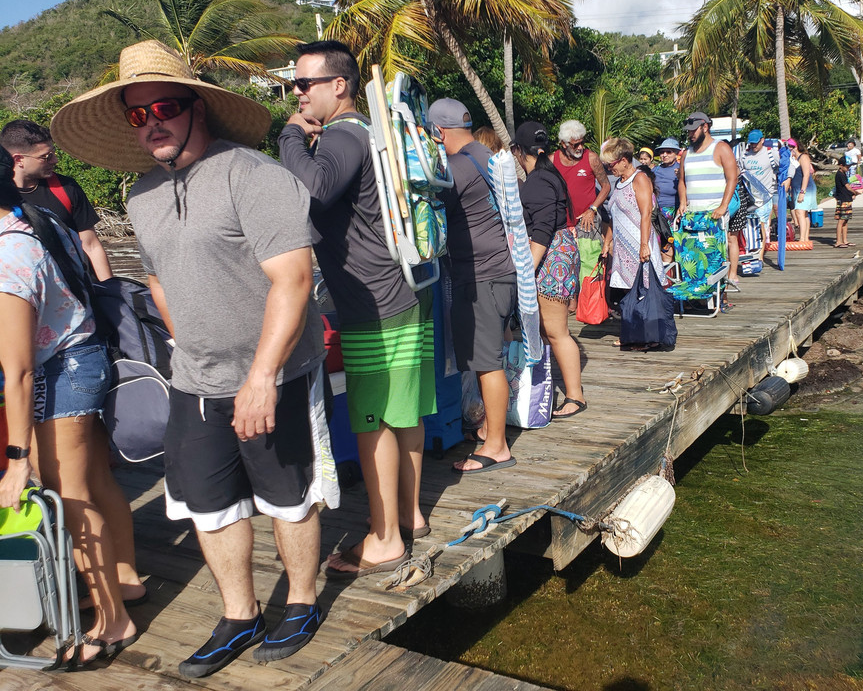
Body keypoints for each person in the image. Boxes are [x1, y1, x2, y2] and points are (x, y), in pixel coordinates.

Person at [50, 39, 338, 677]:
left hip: (276, 373)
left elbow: (293, 280)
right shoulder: (143, 195)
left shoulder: (255, 176)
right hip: (195, 379)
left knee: (288, 495)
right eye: (137, 113)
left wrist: (261, 378)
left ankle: (302, 599)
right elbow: (156, 280)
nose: (152, 121)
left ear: (198, 108)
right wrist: (187, 344)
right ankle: (239, 614)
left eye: (166, 106)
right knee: (208, 504)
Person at [277, 40, 433, 581]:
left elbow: (315, 188)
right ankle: (410, 514)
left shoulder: (343, 133)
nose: (296, 94)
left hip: (372, 300)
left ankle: (386, 539)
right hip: (404, 290)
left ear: (338, 86)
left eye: (304, 84)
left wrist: (290, 136)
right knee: (403, 412)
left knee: (373, 421)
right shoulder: (370, 132)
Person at [0, 145, 141, 667]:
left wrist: (18, 461)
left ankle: (112, 620)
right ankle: (123, 583)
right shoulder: (31, 221)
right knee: (95, 484)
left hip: (62, 372)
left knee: (72, 499)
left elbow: (18, 371)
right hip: (82, 354)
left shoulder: (7, 257)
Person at [426, 98, 519, 473]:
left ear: (438, 132)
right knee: (486, 358)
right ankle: (489, 432)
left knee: (486, 363)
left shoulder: (458, 166)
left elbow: (428, 203)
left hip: (483, 276)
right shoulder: (484, 153)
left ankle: (497, 447)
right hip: (496, 272)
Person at [512, 121, 586, 415]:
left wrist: (527, 268)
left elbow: (542, 228)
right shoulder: (548, 174)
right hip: (557, 252)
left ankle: (575, 396)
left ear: (519, 150)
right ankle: (563, 391)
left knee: (556, 331)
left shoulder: (538, 180)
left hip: (550, 256)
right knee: (549, 330)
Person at [1, 120, 113, 281]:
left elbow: (91, 245)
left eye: (53, 153)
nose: (54, 161)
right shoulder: (3, 199)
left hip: (78, 290)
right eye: (46, 157)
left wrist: (111, 290)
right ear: (18, 160)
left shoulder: (66, 188)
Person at [600, 138, 666, 349]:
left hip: (639, 242)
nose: (610, 168)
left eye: (612, 164)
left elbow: (646, 213)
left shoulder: (640, 178)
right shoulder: (618, 183)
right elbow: (613, 216)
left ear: (625, 160)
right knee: (627, 292)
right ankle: (631, 334)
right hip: (622, 247)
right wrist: (607, 242)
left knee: (643, 289)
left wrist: (644, 244)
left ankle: (646, 335)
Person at [676, 112, 741, 286]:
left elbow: (732, 178)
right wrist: (682, 202)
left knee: (716, 255)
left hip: (714, 213)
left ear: (705, 127)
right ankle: (696, 295)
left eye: (693, 130)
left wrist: (723, 206)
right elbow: (682, 181)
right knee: (693, 256)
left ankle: (721, 297)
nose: (690, 134)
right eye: (688, 131)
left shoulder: (720, 148)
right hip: (693, 214)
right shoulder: (686, 154)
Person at [553, 120, 610, 291]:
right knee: (565, 261)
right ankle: (571, 302)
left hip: (587, 219)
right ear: (564, 144)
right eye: (575, 144)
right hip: (562, 221)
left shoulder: (591, 158)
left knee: (589, 260)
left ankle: (589, 304)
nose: (580, 147)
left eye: (582, 142)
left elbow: (606, 186)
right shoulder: (552, 160)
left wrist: (592, 209)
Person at [736, 129, 781, 262]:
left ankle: (759, 257)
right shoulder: (744, 155)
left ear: (762, 140)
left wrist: (786, 180)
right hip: (749, 198)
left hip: (765, 197)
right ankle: (750, 252)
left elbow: (787, 166)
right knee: (748, 226)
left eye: (756, 143)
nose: (754, 146)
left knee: (761, 224)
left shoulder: (771, 154)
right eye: (752, 143)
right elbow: (739, 170)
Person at [652, 137, 682, 263]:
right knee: (659, 244)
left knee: (673, 244)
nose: (664, 155)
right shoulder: (655, 170)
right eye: (662, 152)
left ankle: (675, 276)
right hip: (657, 213)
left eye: (668, 152)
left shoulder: (681, 169)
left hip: (675, 213)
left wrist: (680, 177)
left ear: (676, 153)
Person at [788, 139, 818, 242]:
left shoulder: (803, 157)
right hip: (796, 188)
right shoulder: (793, 159)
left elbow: (806, 175)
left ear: (795, 147)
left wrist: (802, 192)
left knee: (800, 212)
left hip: (806, 188)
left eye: (790, 147)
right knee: (803, 213)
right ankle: (805, 238)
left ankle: (803, 238)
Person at [834, 161, 855, 248]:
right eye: (846, 166)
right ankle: (838, 241)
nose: (848, 168)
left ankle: (845, 240)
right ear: (841, 165)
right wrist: (855, 192)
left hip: (846, 199)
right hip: (842, 199)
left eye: (849, 166)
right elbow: (847, 187)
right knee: (841, 220)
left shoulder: (844, 174)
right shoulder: (840, 175)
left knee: (845, 220)